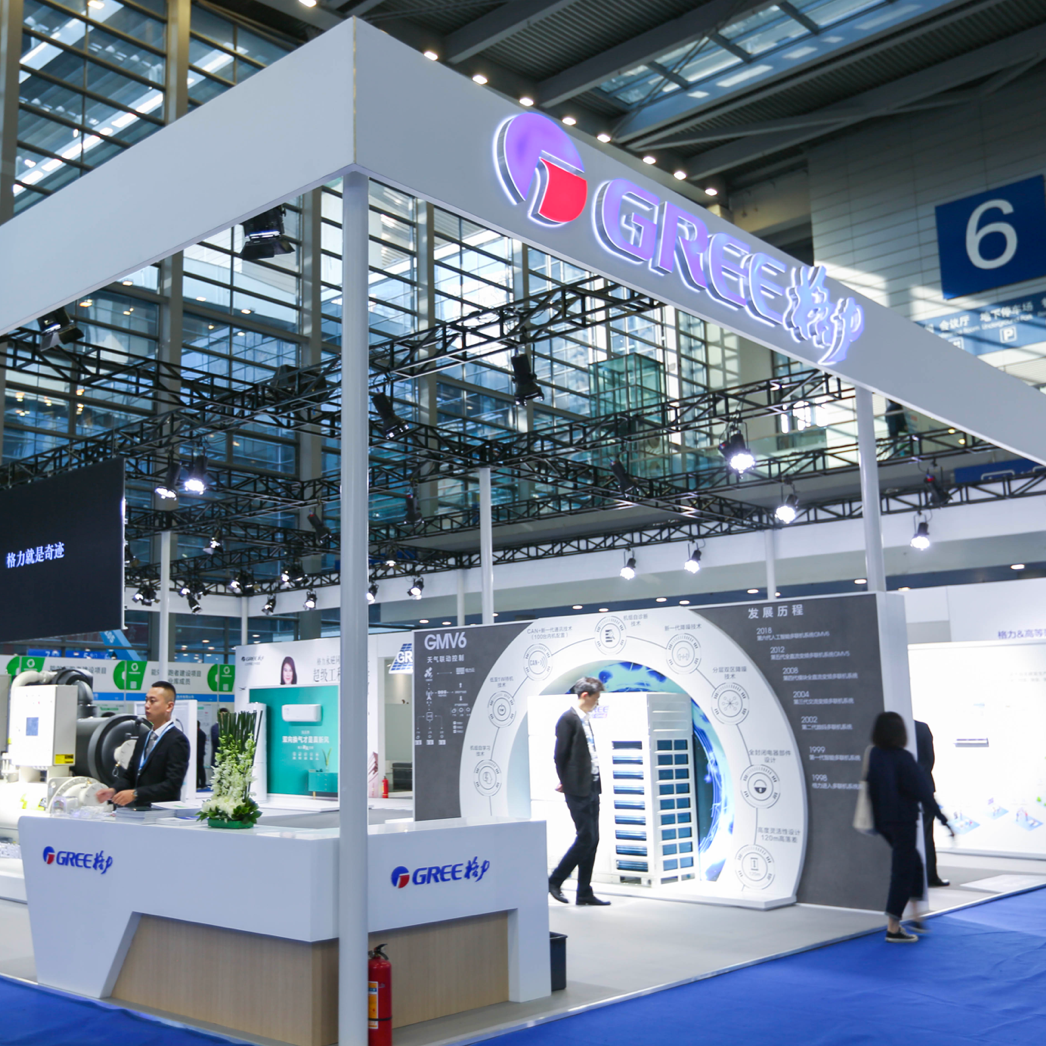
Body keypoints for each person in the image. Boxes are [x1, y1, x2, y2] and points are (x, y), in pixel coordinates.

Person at [866, 711, 953, 942]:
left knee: (914, 866)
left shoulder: (875, 754)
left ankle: (916, 916)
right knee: (903, 873)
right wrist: (944, 820)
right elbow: (923, 792)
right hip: (903, 822)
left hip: (885, 823)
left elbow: (871, 787)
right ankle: (893, 928)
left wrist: (877, 822)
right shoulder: (903, 758)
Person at [548, 676, 610, 907]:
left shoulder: (584, 719)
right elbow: (560, 756)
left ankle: (584, 891)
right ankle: (554, 880)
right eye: (596, 698)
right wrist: (566, 782)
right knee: (586, 838)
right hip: (578, 789)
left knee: (593, 839)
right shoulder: (568, 719)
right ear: (585, 695)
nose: (597, 702)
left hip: (591, 786)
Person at [97, 682, 190, 807]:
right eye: (146, 700)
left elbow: (172, 785)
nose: (147, 705)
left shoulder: (177, 740)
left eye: (152, 701)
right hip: (139, 810)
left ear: (169, 706)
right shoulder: (144, 738)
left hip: (162, 811)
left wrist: (136, 793)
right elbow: (130, 776)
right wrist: (113, 790)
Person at [915, 719, 949, 887]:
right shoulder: (921, 728)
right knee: (926, 834)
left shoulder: (890, 727)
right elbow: (929, 759)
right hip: (923, 786)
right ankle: (929, 876)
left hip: (899, 790)